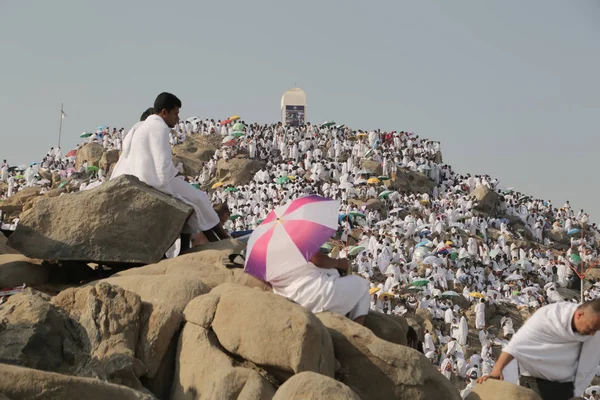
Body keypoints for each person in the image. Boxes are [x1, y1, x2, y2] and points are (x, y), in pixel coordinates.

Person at [111, 93, 228, 246]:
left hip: (139, 177)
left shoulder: (139, 126)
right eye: (175, 114)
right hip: (154, 181)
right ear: (164, 112)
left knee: (192, 201)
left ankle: (199, 244)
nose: (177, 119)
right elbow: (162, 164)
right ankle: (223, 239)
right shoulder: (159, 126)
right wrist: (176, 176)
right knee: (199, 198)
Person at [478, 299, 600, 399]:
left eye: (596, 330)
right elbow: (516, 345)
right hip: (535, 380)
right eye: (591, 328)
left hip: (566, 384)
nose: (592, 334)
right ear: (579, 315)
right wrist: (497, 370)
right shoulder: (548, 317)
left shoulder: (593, 331)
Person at [269, 250, 370, 325]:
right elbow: (319, 260)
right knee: (362, 284)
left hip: (288, 297)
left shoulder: (267, 253)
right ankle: (358, 330)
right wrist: (340, 263)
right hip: (315, 294)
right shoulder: (295, 238)